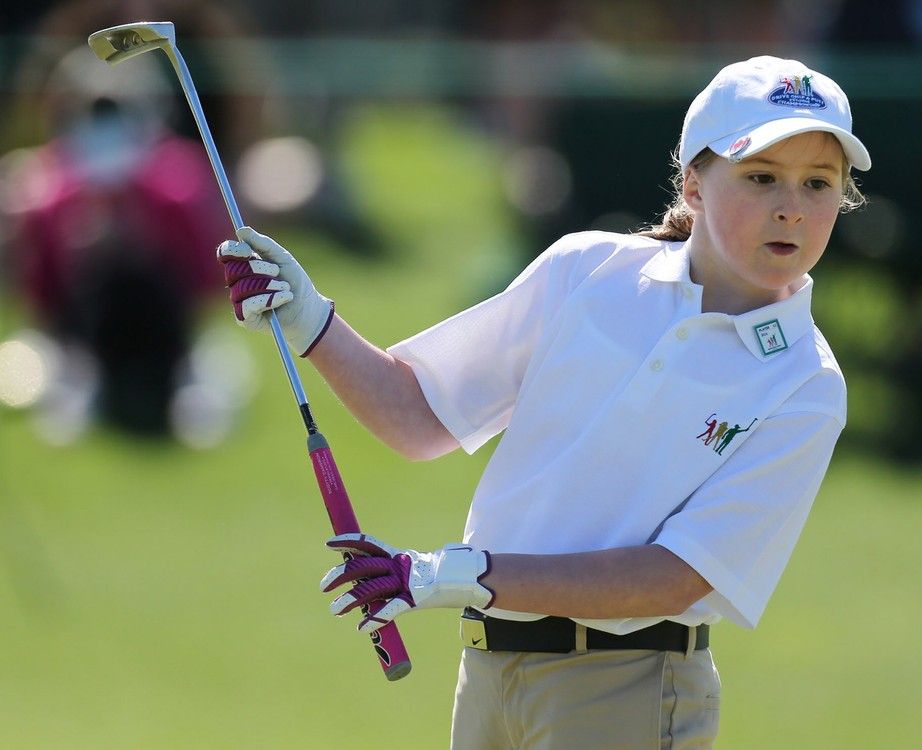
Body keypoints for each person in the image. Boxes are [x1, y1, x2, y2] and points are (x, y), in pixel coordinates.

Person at [217, 55, 871, 749]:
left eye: (819, 184)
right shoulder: (587, 271)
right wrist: (309, 319)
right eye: (761, 177)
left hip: (629, 685)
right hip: (490, 672)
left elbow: (672, 578)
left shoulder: (806, 384)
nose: (792, 208)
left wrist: (451, 576)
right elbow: (417, 414)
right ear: (695, 184)